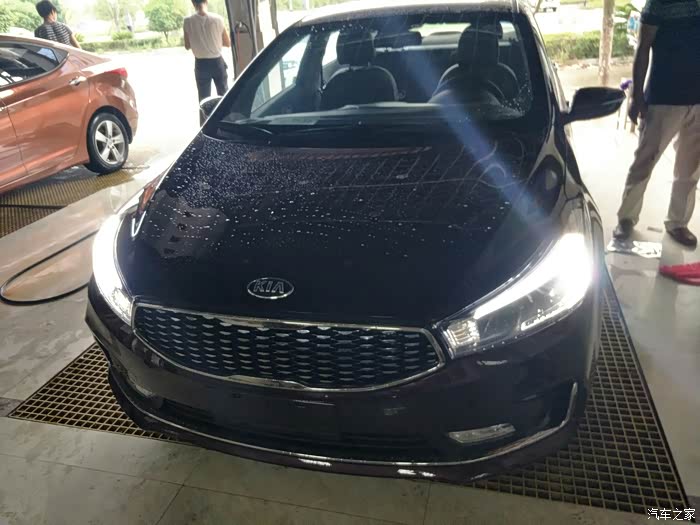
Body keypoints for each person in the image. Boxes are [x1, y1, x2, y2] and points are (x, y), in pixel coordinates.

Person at [613, 0, 700, 247]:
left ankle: (678, 223)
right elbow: (643, 49)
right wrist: (637, 97)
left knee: (690, 169)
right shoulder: (658, 4)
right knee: (644, 161)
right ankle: (626, 219)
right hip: (664, 97)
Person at [183, 0, 231, 102]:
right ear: (206, 1)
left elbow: (187, 46)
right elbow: (227, 43)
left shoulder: (187, 21)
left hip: (201, 65)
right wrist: (214, 42)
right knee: (224, 96)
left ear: (193, 3)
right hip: (217, 62)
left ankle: (206, 113)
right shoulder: (218, 19)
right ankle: (225, 112)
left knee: (204, 99)